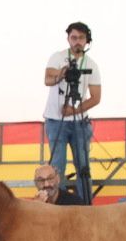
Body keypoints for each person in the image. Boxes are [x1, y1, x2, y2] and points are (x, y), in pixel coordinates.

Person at [43, 20, 101, 205]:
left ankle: (85, 207)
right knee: (57, 166)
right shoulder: (58, 57)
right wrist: (62, 73)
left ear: (87, 41)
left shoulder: (92, 64)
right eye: (74, 37)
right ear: (68, 39)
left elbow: (96, 97)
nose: (77, 41)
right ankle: (58, 208)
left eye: (81, 38)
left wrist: (74, 110)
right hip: (55, 120)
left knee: (83, 166)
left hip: (79, 121)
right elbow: (47, 79)